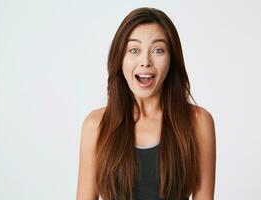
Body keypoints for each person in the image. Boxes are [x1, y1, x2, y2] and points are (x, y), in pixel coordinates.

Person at [76, 7, 216, 200]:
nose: (145, 61)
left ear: (171, 59)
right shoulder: (96, 125)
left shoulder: (198, 122)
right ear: (120, 58)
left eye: (158, 50)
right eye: (134, 50)